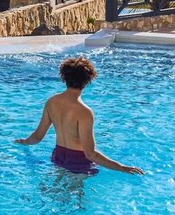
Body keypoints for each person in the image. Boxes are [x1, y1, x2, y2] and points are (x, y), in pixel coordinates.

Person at [15, 57, 144, 175]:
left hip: (58, 157)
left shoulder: (51, 102)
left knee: (55, 188)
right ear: (87, 81)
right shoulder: (84, 112)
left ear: (64, 77)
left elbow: (38, 137)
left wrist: (24, 142)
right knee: (75, 193)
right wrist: (121, 167)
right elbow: (90, 154)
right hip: (79, 162)